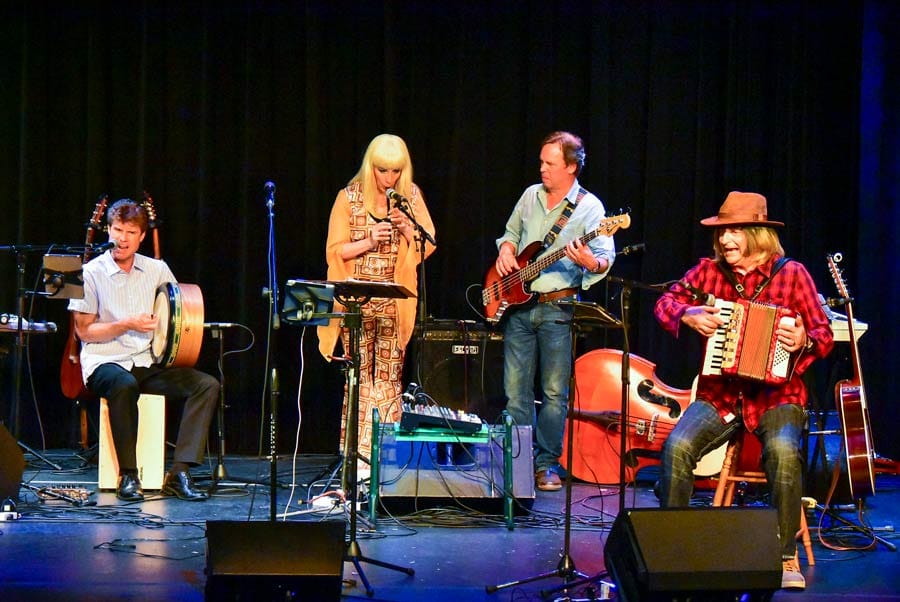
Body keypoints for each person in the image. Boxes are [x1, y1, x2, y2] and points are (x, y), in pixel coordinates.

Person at [653, 191, 834, 590]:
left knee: (784, 452)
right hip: (720, 394)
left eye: (733, 231)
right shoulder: (708, 273)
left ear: (758, 234)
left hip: (777, 397)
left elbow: (823, 334)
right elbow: (665, 303)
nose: (724, 241)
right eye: (721, 233)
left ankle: (784, 555)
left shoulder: (792, 274)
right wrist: (688, 313)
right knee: (677, 447)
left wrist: (803, 337)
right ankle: (671, 549)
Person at [69, 199, 218, 502]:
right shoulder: (90, 272)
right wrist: (127, 323)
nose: (121, 238)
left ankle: (179, 472)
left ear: (141, 236)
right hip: (104, 360)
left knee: (206, 385)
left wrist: (171, 333)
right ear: (108, 230)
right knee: (124, 385)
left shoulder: (157, 269)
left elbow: (178, 312)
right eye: (116, 230)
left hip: (146, 360)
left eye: (130, 232)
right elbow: (83, 330)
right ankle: (128, 474)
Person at [493, 131, 616, 492]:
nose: (542, 168)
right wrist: (506, 249)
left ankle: (546, 464)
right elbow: (510, 233)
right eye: (542, 161)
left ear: (571, 167)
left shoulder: (591, 208)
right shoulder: (531, 195)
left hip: (558, 307)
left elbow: (604, 258)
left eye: (550, 163)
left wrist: (588, 261)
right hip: (519, 307)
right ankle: (517, 464)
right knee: (515, 391)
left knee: (553, 393)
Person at [318, 134, 436, 474]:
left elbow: (428, 244)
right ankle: (354, 458)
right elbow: (334, 251)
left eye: (396, 171)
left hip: (393, 303)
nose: (390, 178)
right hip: (355, 303)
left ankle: (383, 459)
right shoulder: (349, 197)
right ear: (371, 167)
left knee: (387, 379)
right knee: (359, 377)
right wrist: (368, 240)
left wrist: (404, 231)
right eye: (383, 171)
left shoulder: (411, 197)